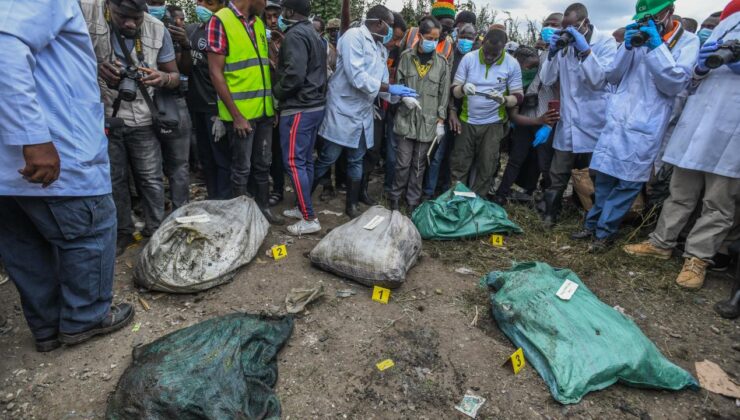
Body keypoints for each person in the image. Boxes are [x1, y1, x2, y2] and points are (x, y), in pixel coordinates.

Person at [0, 0, 134, 352]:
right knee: (89, 230)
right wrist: (33, 138)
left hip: (12, 165)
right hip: (53, 151)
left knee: (25, 245)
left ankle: (46, 327)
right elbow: (6, 47)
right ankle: (85, 318)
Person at [623, 2, 738, 288]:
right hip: (698, 124)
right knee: (680, 193)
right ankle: (661, 242)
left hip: (732, 132)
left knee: (718, 203)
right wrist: (699, 68)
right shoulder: (726, 23)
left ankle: (697, 259)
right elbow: (688, 82)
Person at [573, 0, 699, 253]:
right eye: (644, 17)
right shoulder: (636, 36)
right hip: (618, 121)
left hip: (648, 124)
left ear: (669, 12)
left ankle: (604, 233)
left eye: (654, 16)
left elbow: (674, 83)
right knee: (605, 180)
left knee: (627, 185)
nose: (649, 21)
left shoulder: (687, 42)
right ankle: (592, 223)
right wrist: (627, 48)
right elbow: (612, 76)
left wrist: (656, 47)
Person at [82, 0, 180, 255]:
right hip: (103, 116)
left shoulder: (158, 28)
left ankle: (157, 230)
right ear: (108, 6)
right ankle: (122, 233)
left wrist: (163, 78)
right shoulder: (85, 14)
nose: (130, 23)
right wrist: (95, 69)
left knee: (151, 179)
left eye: (136, 18)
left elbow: (175, 76)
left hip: (144, 118)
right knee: (114, 180)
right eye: (122, 16)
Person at [314, 5, 417, 218]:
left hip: (362, 113)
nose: (390, 33)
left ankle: (351, 205)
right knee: (328, 157)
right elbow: (357, 77)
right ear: (379, 23)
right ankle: (303, 199)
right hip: (343, 110)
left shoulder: (380, 48)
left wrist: (399, 96)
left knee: (356, 158)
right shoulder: (354, 37)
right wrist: (390, 88)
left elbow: (379, 84)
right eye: (389, 26)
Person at [538, 2, 617, 228]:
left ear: (585, 23)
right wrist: (551, 54)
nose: (568, 33)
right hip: (569, 121)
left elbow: (599, 80)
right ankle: (550, 214)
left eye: (573, 27)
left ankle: (592, 217)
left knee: (595, 175)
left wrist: (585, 51)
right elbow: (547, 79)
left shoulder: (605, 43)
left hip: (595, 121)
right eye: (565, 28)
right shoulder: (564, 46)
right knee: (558, 171)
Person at [207, 0, 284, 225]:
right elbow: (215, 73)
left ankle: (263, 210)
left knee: (263, 165)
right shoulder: (220, 20)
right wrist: (238, 116)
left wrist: (271, 106)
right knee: (242, 169)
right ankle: (240, 220)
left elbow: (261, 68)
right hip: (242, 115)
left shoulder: (259, 25)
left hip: (264, 112)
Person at [272, 0, 327, 235]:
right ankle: (301, 205)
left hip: (299, 107)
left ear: (290, 12)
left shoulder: (295, 35)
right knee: (304, 160)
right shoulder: (313, 33)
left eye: (283, 10)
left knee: (293, 162)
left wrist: (277, 93)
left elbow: (294, 75)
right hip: (314, 105)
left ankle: (309, 217)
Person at [449, 28, 524, 197]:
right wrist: (462, 89)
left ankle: (477, 201)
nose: (489, 57)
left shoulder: (511, 64)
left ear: (503, 48)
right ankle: (457, 199)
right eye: (487, 52)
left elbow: (519, 96)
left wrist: (505, 100)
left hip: (493, 123)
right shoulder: (469, 58)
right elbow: (454, 90)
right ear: (482, 43)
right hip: (467, 120)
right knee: (459, 164)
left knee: (486, 166)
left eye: (495, 53)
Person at [390, 16, 450, 214]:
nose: (433, 41)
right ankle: (395, 197)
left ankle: (412, 200)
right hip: (406, 118)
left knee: (419, 165)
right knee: (402, 163)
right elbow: (397, 83)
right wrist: (402, 98)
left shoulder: (442, 63)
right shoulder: (406, 57)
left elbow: (444, 94)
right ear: (420, 36)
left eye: (436, 38)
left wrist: (441, 121)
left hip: (428, 121)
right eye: (429, 37)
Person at [493, 46, 560, 205]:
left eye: (535, 67)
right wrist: (538, 121)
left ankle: (547, 202)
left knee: (545, 164)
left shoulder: (550, 71)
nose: (533, 70)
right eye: (529, 67)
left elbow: (558, 98)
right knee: (515, 159)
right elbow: (514, 116)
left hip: (547, 124)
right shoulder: (518, 80)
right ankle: (501, 194)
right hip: (527, 122)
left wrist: (548, 125)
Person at [183, 0, 232, 200]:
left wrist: (223, 113)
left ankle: (224, 201)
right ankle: (213, 199)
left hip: (216, 107)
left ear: (222, 6)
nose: (202, 6)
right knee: (206, 159)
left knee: (222, 159)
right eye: (200, 1)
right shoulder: (193, 30)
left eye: (209, 3)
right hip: (196, 106)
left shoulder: (224, 31)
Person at [423, 21, 477, 199]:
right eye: (463, 36)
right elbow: (445, 86)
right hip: (444, 113)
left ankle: (447, 189)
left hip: (466, 116)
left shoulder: (477, 60)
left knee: (455, 157)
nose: (466, 40)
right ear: (456, 36)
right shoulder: (448, 55)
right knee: (438, 154)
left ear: (475, 39)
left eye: (470, 37)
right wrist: (450, 111)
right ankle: (429, 192)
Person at [148, 1, 191, 211]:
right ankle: (155, 219)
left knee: (179, 163)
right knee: (149, 169)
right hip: (141, 102)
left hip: (172, 99)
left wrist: (185, 44)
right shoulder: (128, 17)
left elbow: (184, 69)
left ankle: (181, 211)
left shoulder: (172, 21)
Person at [264, 0, 286, 207]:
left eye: (275, 17)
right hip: (261, 103)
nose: (272, 21)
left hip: (280, 104)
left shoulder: (285, 39)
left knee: (278, 152)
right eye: (268, 16)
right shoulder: (258, 38)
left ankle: (278, 189)